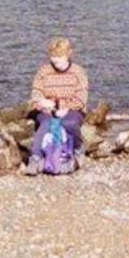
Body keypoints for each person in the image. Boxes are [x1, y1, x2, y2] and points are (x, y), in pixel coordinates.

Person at [25, 37, 88, 176]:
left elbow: (81, 99)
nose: (55, 60)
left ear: (67, 55)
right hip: (48, 109)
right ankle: (35, 158)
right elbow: (36, 94)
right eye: (53, 56)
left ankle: (78, 149)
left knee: (69, 122)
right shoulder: (44, 71)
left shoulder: (78, 72)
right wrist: (43, 103)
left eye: (59, 56)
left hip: (72, 109)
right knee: (46, 123)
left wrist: (65, 107)